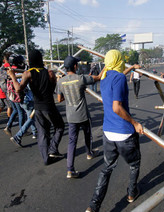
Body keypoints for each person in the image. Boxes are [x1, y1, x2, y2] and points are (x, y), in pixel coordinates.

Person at [86, 50, 143, 212]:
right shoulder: (118, 78)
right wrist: (135, 122)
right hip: (123, 132)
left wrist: (130, 68)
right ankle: (132, 193)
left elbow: (117, 76)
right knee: (134, 164)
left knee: (107, 168)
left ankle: (93, 205)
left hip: (108, 132)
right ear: (118, 60)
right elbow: (117, 107)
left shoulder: (104, 79)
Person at [7, 49, 64, 165]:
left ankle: (46, 158)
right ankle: (53, 149)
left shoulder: (28, 73)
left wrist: (12, 76)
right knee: (59, 127)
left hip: (37, 107)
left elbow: (18, 89)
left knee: (42, 132)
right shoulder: (50, 73)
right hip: (49, 105)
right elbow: (53, 88)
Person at [57, 56, 102, 179]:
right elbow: (98, 78)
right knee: (87, 134)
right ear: (75, 66)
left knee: (72, 141)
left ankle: (70, 170)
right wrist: (106, 67)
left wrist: (68, 93)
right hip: (83, 115)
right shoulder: (80, 79)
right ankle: (89, 153)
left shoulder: (60, 81)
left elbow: (59, 99)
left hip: (71, 117)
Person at [7, 55, 38, 146]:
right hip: (27, 99)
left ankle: (35, 132)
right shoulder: (19, 74)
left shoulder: (13, 73)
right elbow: (26, 87)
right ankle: (18, 136)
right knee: (31, 117)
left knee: (31, 116)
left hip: (21, 100)